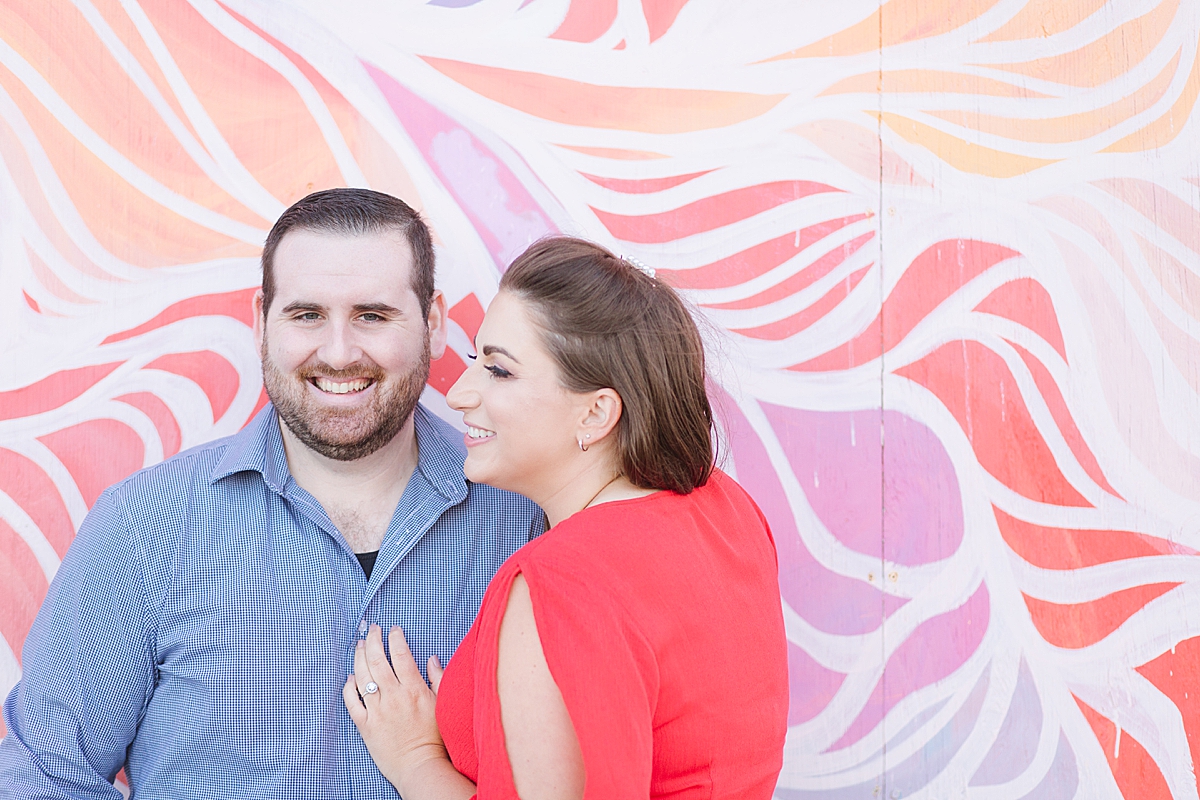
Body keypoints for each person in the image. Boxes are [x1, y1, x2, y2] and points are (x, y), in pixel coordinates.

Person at [0, 189, 543, 798]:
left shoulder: (531, 517)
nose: (339, 353)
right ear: (262, 322)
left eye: (373, 315)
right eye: (307, 315)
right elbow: (42, 775)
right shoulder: (143, 524)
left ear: (435, 323)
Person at [345, 237, 789, 799]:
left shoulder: (559, 584)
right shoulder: (727, 510)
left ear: (597, 411)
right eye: (477, 358)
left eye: (499, 371)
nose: (459, 393)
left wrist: (415, 759)